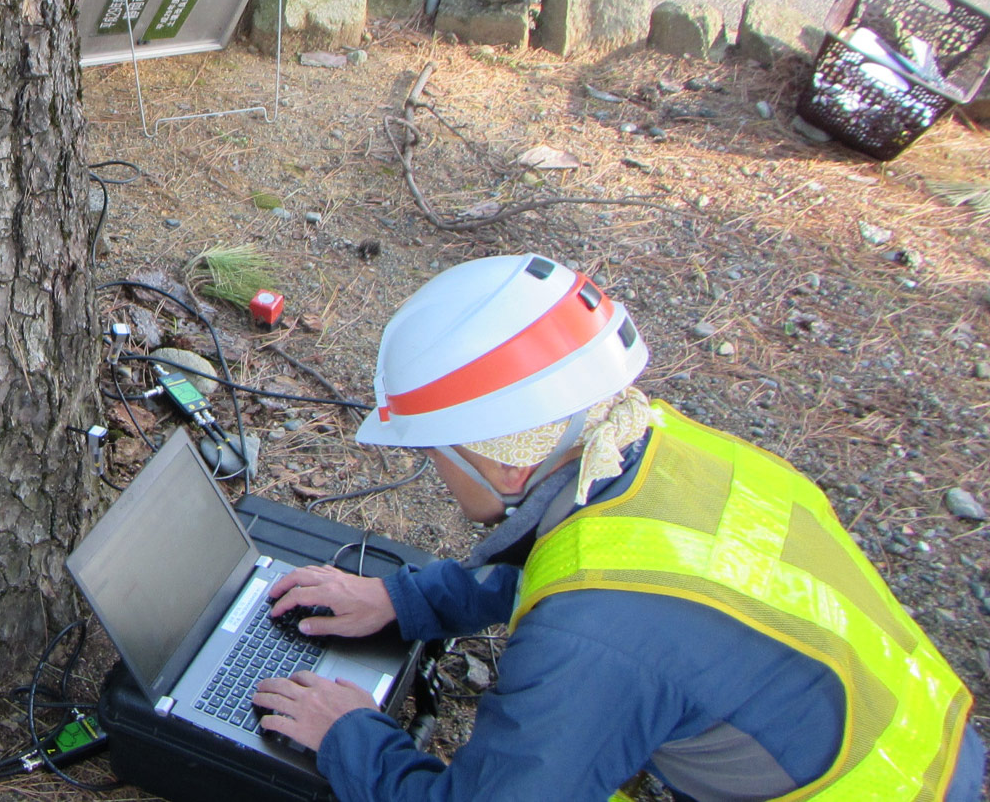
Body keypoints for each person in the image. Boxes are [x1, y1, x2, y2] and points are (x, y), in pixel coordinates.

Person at [252, 254, 983, 801]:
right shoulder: (655, 445)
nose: (429, 468)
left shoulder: (587, 642)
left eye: (430, 450)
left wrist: (351, 734)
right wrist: (404, 602)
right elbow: (592, 559)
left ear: (500, 461)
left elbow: (603, 617)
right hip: (933, 755)